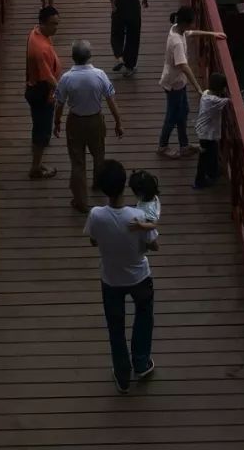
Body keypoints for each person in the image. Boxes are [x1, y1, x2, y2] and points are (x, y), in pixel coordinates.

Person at [85, 159, 156, 393]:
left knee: (116, 327)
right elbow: (152, 244)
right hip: (139, 275)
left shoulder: (96, 215)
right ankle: (141, 362)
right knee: (143, 317)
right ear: (125, 185)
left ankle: (122, 374)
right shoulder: (137, 217)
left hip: (111, 278)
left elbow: (93, 240)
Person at [54, 39, 123, 214]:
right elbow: (111, 101)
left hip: (75, 121)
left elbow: (60, 104)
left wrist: (57, 122)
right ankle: (99, 184)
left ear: (73, 57)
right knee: (99, 155)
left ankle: (81, 201)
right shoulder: (99, 75)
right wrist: (118, 122)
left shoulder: (66, 78)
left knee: (77, 162)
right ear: (89, 56)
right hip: (95, 120)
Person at [157, 6, 226, 159]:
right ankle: (163, 146)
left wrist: (212, 34)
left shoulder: (177, 28)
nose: (193, 25)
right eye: (192, 22)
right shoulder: (177, 43)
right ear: (185, 23)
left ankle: (184, 146)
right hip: (174, 83)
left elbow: (192, 33)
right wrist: (198, 88)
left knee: (183, 112)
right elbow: (184, 67)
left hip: (178, 82)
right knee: (172, 116)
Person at [99, 0, 149, 78]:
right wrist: (145, 0)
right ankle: (130, 67)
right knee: (133, 36)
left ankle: (119, 57)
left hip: (119, 6)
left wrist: (111, 0)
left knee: (116, 33)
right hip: (133, 7)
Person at [25, 5, 60, 180]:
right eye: (53, 24)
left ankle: (37, 160)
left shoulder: (36, 33)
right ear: (43, 24)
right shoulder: (41, 49)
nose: (56, 27)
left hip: (32, 87)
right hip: (41, 91)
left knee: (38, 125)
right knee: (43, 130)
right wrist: (62, 92)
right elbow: (48, 78)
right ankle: (35, 169)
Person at [193, 70, 229, 189]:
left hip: (204, 131)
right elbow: (227, 101)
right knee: (205, 156)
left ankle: (213, 172)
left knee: (211, 152)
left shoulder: (206, 94)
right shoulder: (214, 101)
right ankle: (199, 181)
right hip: (207, 134)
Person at [128, 169, 161, 241]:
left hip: (145, 230)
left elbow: (153, 225)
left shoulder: (150, 207)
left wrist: (140, 225)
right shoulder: (151, 197)